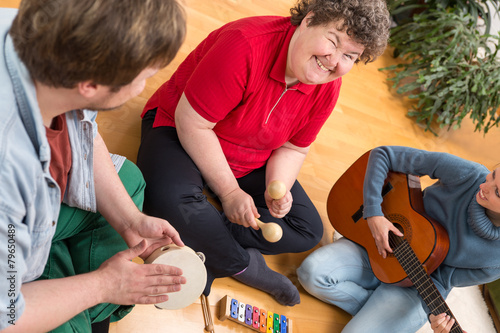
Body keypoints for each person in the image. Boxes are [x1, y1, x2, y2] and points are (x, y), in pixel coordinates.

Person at [136, 0, 391, 306]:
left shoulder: (328, 87)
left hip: (250, 157)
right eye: (333, 41)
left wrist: (278, 187)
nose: (334, 61)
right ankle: (244, 265)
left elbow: (294, 147)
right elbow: (192, 123)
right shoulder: (245, 45)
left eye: (349, 55)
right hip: (180, 131)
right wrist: (230, 192)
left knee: (308, 230)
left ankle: (211, 231)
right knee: (164, 197)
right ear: (309, 20)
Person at [0, 0, 186, 332]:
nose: (143, 88)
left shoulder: (34, 32)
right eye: (144, 78)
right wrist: (103, 285)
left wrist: (131, 221)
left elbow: (83, 132)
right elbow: (6, 317)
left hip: (23, 217)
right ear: (90, 84)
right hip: (11, 240)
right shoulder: (9, 172)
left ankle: (60, 278)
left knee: (128, 180)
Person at [297, 146, 500, 332]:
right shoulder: (469, 174)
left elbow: (440, 279)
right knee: (311, 274)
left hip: (417, 285)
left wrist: (434, 315)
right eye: (493, 175)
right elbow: (383, 154)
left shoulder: (496, 261)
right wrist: (374, 213)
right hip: (381, 243)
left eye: (497, 192)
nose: (484, 185)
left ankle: (377, 316)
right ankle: (379, 316)